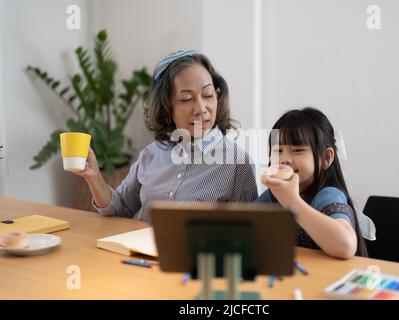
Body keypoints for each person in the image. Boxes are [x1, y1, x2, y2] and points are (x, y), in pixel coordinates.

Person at [71, 50, 258, 220]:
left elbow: (249, 233)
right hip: (137, 255)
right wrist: (93, 176)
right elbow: (120, 207)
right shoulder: (151, 155)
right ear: (167, 108)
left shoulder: (238, 165)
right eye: (186, 99)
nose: (201, 109)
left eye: (208, 95)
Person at [255, 107, 368, 258]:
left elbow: (346, 245)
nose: (284, 159)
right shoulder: (275, 194)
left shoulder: (328, 195)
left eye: (297, 150)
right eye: (278, 151)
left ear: (326, 158)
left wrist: (291, 201)